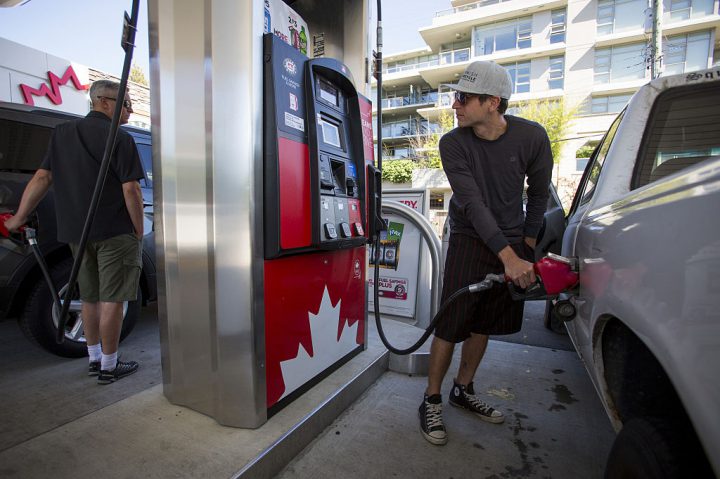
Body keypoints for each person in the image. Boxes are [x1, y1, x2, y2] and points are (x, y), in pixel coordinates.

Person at [419, 61, 553, 445]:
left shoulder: (532, 137)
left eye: (463, 97)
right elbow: (473, 204)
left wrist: (525, 246)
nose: (454, 105)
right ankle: (431, 399)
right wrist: (508, 257)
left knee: (485, 321)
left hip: (513, 241)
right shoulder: (453, 143)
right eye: (454, 97)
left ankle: (463, 389)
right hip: (469, 239)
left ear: (492, 102)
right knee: (451, 320)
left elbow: (539, 193)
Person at [4, 80, 145, 385]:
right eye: (126, 103)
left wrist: (18, 218)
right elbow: (131, 188)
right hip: (114, 231)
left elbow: (42, 177)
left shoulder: (62, 133)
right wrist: (138, 227)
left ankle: (94, 358)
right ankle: (109, 366)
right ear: (104, 102)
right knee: (113, 300)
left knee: (90, 298)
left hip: (77, 234)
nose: (130, 110)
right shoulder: (119, 138)